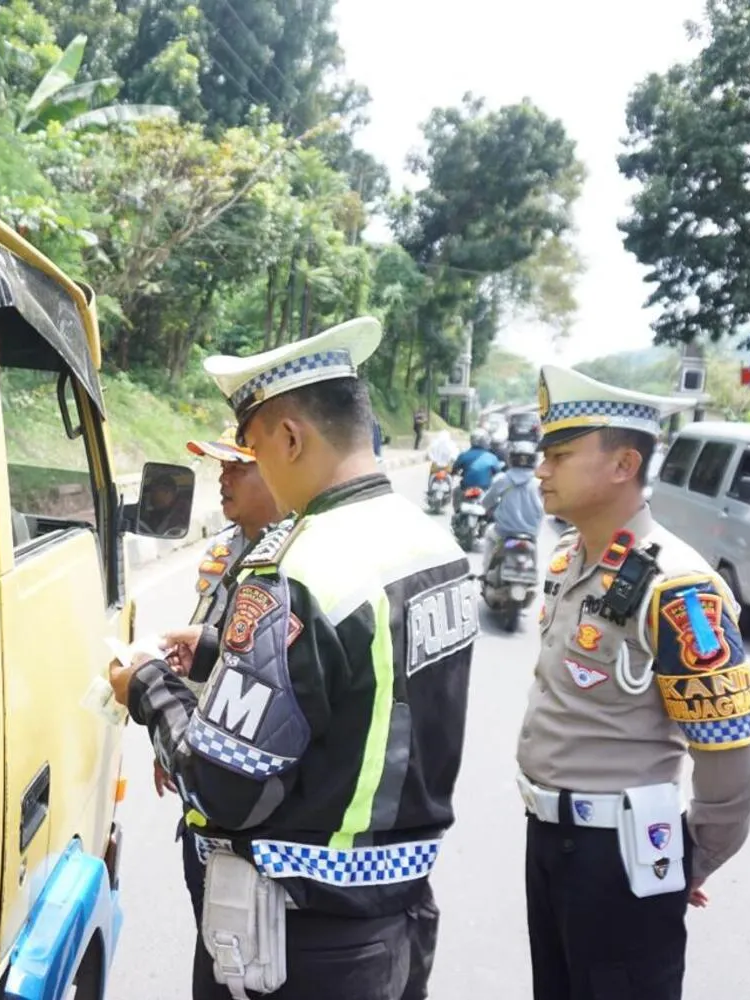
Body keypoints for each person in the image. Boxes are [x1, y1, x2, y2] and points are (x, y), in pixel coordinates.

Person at [109, 317, 478, 1000]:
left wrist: (148, 687)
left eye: (251, 447)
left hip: (298, 943)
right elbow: (372, 683)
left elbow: (226, 786)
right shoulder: (432, 545)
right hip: (398, 919)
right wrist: (222, 650)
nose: (252, 468)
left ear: (289, 437)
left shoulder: (298, 570)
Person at [518, 364, 750, 1000]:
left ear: (624, 465)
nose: (541, 469)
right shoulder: (573, 558)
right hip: (549, 839)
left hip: (619, 856)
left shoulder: (677, 587)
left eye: (561, 455)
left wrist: (681, 862)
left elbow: (728, 757)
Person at [163, 428, 284, 925]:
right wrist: (175, 732)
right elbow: (209, 641)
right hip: (202, 762)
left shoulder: (292, 564)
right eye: (221, 466)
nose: (222, 478)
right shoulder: (228, 548)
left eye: (238, 467)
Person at [479, 440, 545, 574]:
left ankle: (486, 573)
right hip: (530, 534)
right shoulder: (539, 483)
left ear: (511, 458)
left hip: (503, 532)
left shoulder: (502, 479)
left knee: (489, 533)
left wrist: (488, 508)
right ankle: (534, 570)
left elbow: (486, 501)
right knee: (534, 545)